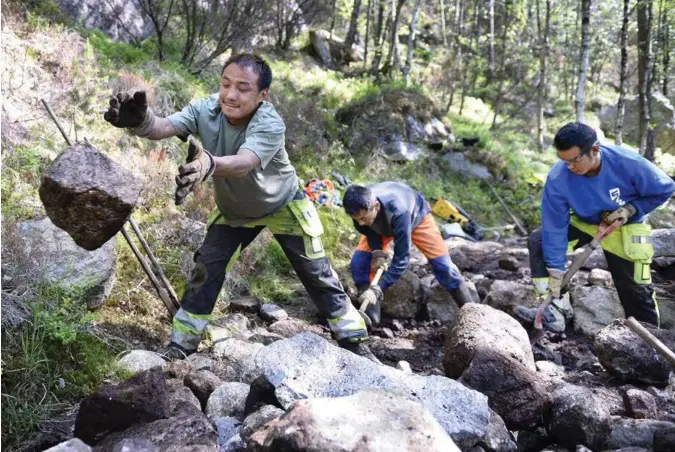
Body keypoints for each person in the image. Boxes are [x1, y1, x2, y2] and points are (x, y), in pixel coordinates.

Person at [103, 54, 370, 359]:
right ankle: (182, 345)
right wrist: (141, 121)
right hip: (235, 212)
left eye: (243, 88)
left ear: (262, 95)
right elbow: (164, 126)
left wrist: (208, 164)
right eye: (226, 84)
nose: (231, 94)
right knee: (207, 269)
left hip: (283, 205)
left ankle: (353, 340)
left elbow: (244, 163)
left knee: (316, 272)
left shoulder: (269, 123)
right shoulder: (205, 108)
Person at [514, 122, 675, 331]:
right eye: (564, 161)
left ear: (595, 150)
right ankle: (555, 310)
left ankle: (647, 345)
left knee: (636, 290)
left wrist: (631, 209)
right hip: (587, 221)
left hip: (627, 226)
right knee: (539, 241)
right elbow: (555, 223)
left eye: (574, 160)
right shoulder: (558, 177)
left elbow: (665, 188)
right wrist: (555, 268)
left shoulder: (627, 163)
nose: (569, 167)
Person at [343, 182, 475, 325]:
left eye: (362, 219)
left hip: (416, 218)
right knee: (359, 263)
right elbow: (368, 231)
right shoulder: (359, 210)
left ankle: (474, 315)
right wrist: (378, 253)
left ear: (376, 206)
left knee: (445, 268)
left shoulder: (399, 211)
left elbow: (401, 259)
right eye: (357, 220)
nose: (360, 223)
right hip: (378, 224)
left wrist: (377, 289)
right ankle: (371, 318)